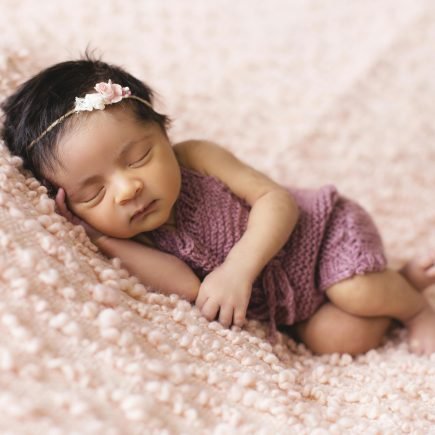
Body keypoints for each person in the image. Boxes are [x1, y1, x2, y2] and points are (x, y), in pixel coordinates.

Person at [2, 55, 435, 356]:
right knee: (337, 338)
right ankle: (401, 281)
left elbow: (275, 199)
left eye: (137, 158)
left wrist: (238, 269)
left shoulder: (196, 158)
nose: (127, 189)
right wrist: (98, 237)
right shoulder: (129, 232)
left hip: (324, 235)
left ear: (165, 135)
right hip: (299, 305)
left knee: (354, 290)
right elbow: (188, 287)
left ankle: (416, 308)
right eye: (92, 194)